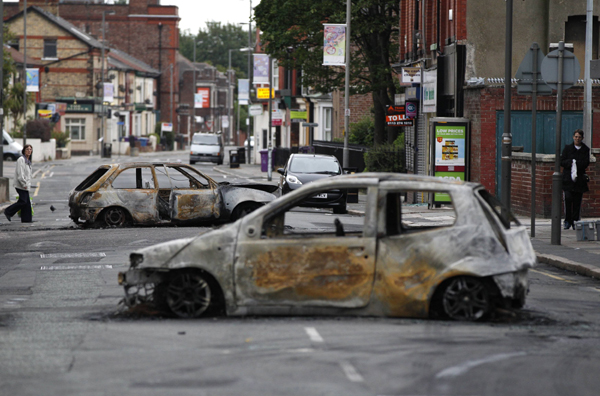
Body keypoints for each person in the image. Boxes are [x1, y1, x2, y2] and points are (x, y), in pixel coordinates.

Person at [561, 129, 590, 230]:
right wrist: (571, 163)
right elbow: (562, 161)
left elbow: (586, 163)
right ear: (573, 137)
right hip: (568, 178)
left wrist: (576, 163)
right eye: (576, 137)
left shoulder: (585, 149)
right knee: (568, 198)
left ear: (582, 138)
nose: (577, 139)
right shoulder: (568, 148)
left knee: (577, 200)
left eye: (579, 137)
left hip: (579, 179)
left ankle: (575, 220)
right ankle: (567, 220)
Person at [4, 144, 33, 223]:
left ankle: (26, 219)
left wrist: (28, 184)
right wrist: (24, 184)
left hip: (25, 185)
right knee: (23, 201)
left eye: (30, 149)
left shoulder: (28, 161)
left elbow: (28, 175)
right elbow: (20, 174)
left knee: (26, 203)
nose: (29, 151)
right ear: (24, 151)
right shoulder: (21, 159)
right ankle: (8, 211)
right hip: (20, 185)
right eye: (27, 149)